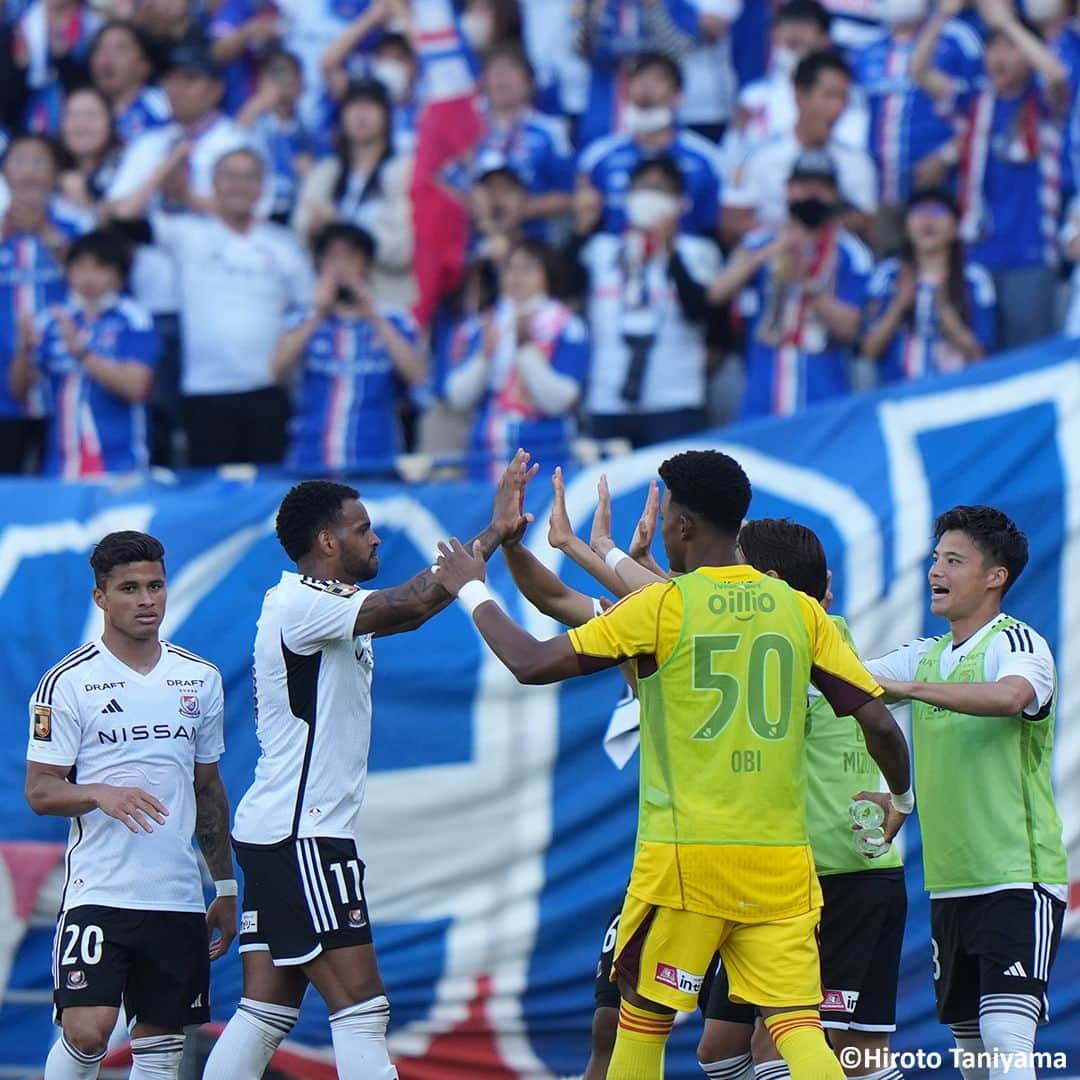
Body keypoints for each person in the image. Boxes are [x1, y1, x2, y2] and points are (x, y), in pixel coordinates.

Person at [432, 448, 913, 1080]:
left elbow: (529, 662)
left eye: (665, 521)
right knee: (800, 1032)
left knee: (643, 1021)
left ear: (681, 524)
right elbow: (877, 719)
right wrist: (900, 799)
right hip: (780, 865)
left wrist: (469, 585)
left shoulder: (664, 609)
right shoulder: (799, 612)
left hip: (687, 863)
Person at [202, 453, 534, 1080]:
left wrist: (490, 537)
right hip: (303, 837)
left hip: (282, 832)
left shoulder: (324, 602)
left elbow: (412, 604)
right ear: (327, 541)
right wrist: (483, 545)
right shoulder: (301, 602)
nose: (375, 536)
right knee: (362, 1010)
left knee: (265, 1012)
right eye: (362, 528)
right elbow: (410, 605)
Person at [24, 530, 235, 1080]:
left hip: (177, 897)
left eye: (156, 586)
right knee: (87, 1030)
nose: (147, 600)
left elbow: (207, 789)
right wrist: (98, 792)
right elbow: (40, 790)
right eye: (130, 588)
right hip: (100, 891)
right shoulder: (68, 683)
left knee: (161, 1050)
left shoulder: (200, 678)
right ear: (101, 597)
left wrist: (226, 888)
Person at [866, 506, 1067, 1080]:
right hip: (952, 884)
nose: (936, 570)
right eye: (935, 558)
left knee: (1008, 1037)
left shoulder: (1019, 642)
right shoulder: (924, 653)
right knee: (972, 1051)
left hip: (1017, 876)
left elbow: (1010, 697)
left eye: (953, 560)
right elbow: (842, 677)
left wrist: (911, 689)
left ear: (994, 576)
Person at [112, 146, 313, 466]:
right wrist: (167, 167)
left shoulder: (283, 244)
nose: (240, 185)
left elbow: (307, 310)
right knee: (214, 498)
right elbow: (121, 218)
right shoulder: (187, 233)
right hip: (205, 391)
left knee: (272, 499)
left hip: (267, 391)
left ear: (262, 186)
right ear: (214, 183)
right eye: (230, 176)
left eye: (250, 177)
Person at [912, 0, 1069, 351]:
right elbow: (919, 72)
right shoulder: (974, 103)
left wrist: (1008, 23)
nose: (998, 57)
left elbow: (1057, 74)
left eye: (1010, 48)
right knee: (978, 359)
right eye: (992, 47)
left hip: (1031, 256)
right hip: (976, 255)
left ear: (1029, 54)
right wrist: (941, 16)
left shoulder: (1043, 104)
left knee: (1027, 364)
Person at [711, 149, 871, 420]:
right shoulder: (759, 243)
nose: (811, 194)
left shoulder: (851, 252)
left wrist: (808, 286)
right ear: (787, 190)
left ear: (835, 196)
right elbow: (717, 293)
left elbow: (849, 328)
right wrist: (775, 249)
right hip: (762, 397)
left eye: (822, 187)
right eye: (803, 185)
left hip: (824, 400)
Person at [575, 154, 722, 448]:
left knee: (676, 493)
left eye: (662, 190)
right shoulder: (601, 249)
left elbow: (699, 311)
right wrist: (580, 229)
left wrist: (670, 251)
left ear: (681, 202)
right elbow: (563, 289)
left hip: (674, 399)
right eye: (642, 188)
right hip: (607, 400)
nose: (650, 198)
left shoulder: (700, 252)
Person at [273, 222, 426, 475]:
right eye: (332, 257)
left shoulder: (395, 320)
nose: (341, 267)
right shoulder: (301, 320)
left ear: (366, 263)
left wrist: (373, 315)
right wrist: (317, 312)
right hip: (310, 462)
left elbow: (418, 376)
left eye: (350, 256)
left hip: (376, 464)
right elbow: (276, 368)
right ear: (320, 264)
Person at [10, 227, 160, 478]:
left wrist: (81, 353)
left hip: (122, 464)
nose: (88, 278)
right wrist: (24, 351)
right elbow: (19, 390)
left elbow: (136, 387)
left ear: (119, 275)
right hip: (62, 467)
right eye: (80, 267)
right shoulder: (50, 320)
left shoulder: (133, 318)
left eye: (99, 268)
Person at [444, 238, 588, 482]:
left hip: (546, 448)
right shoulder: (482, 325)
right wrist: (484, 357)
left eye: (529, 268)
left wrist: (525, 351)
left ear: (548, 274)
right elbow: (457, 397)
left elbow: (561, 400)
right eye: (511, 267)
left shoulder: (567, 325)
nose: (517, 276)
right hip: (490, 450)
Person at [850, 0, 982, 246]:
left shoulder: (958, 39)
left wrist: (948, 154)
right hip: (883, 193)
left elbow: (983, 108)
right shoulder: (865, 49)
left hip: (942, 190)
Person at [0, 132, 92, 474]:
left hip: (64, 380)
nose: (28, 172)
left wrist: (46, 233)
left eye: (39, 163)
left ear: (55, 173)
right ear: (5, 172)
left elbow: (98, 277)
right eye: (19, 162)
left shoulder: (77, 222)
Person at [723, 49, 878, 245]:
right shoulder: (761, 156)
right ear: (799, 95)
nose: (838, 107)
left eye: (843, 97)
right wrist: (787, 232)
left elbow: (867, 225)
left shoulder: (857, 163)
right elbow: (730, 223)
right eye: (829, 96)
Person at [291, 79, 415, 310]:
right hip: (328, 306)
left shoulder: (405, 171)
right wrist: (314, 229)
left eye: (370, 106)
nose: (361, 114)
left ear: (387, 116)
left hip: (385, 304)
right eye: (353, 106)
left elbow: (402, 249)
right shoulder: (325, 171)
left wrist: (341, 225)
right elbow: (299, 229)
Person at [576, 51, 725, 240]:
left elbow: (715, 227)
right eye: (638, 79)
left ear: (678, 97)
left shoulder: (708, 158)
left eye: (657, 80)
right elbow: (585, 223)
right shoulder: (596, 157)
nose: (645, 88)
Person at [861, 187, 995, 386]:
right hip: (897, 395)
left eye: (938, 213)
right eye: (918, 213)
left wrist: (945, 310)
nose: (927, 221)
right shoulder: (887, 275)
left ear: (955, 227)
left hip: (955, 393)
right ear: (906, 226)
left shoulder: (975, 279)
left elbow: (979, 354)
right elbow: (868, 351)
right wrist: (898, 306)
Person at [88, 19, 172, 146]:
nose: (106, 58)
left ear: (144, 65)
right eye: (100, 49)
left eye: (120, 49)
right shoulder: (87, 112)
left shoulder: (161, 106)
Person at [57, 86, 123, 210]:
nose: (81, 125)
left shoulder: (129, 167)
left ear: (111, 121)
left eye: (91, 115)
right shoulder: (52, 173)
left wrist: (83, 202)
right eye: (73, 115)